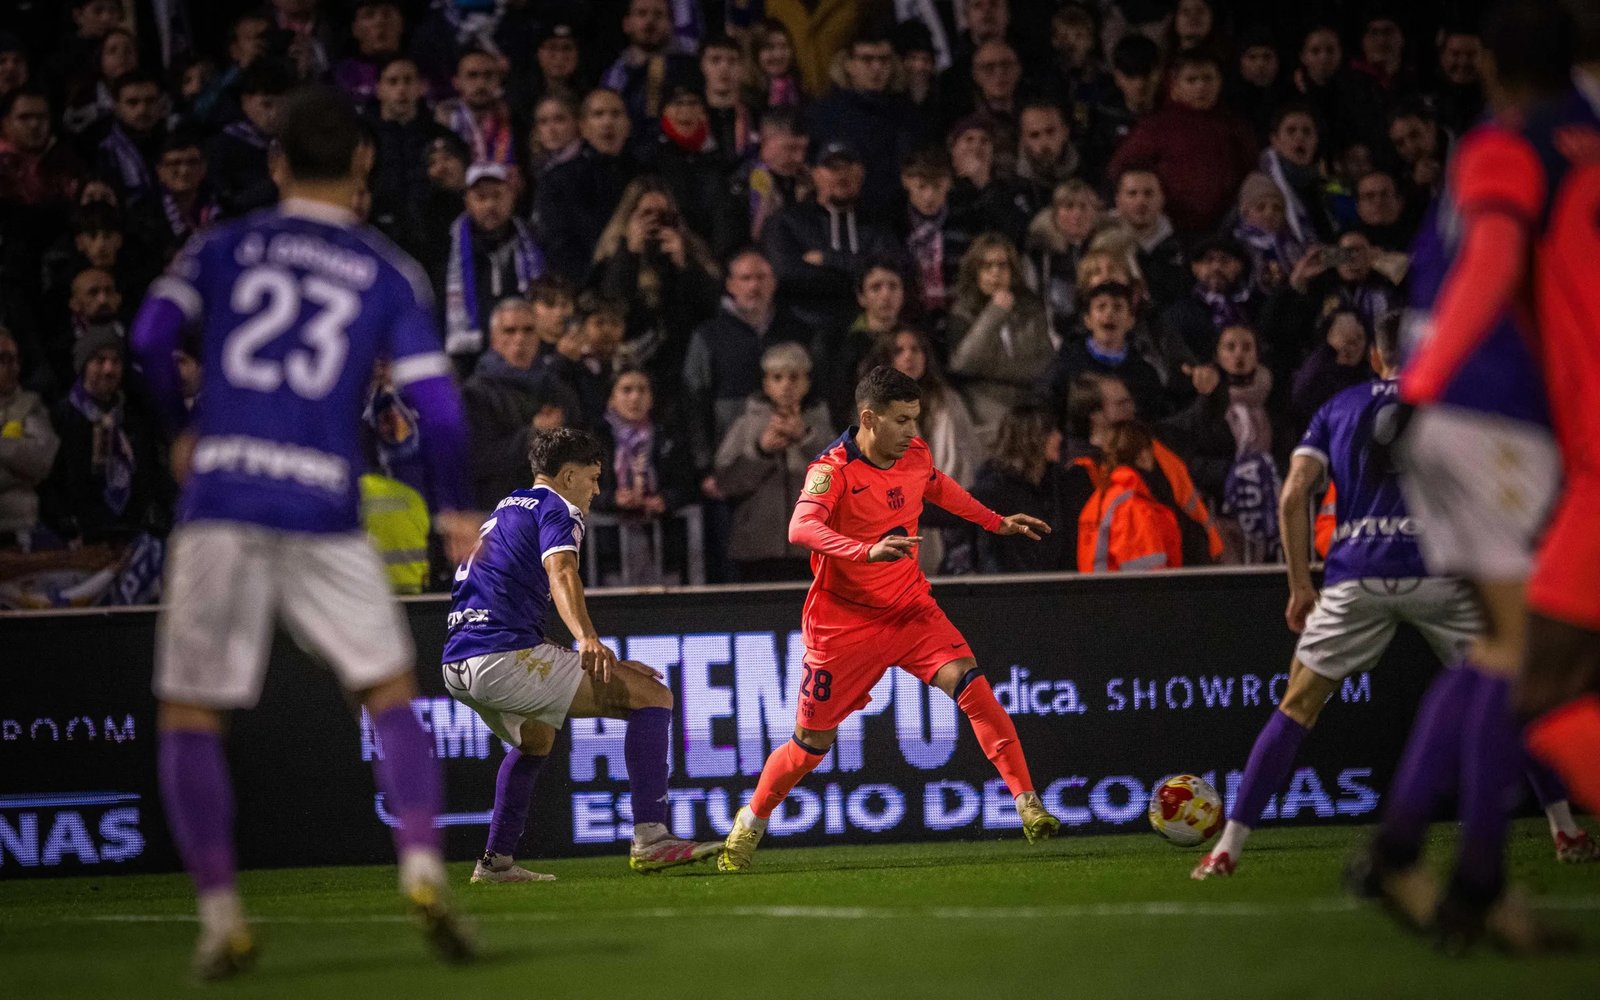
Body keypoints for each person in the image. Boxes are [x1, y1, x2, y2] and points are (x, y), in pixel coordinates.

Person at [128, 85, 482, 977]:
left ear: (275, 162)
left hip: (223, 502)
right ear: (364, 164)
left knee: (192, 711)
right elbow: (439, 410)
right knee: (389, 693)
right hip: (327, 503)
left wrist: (183, 430)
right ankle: (424, 869)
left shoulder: (223, 244)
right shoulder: (387, 270)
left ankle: (220, 916)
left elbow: (150, 330)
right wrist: (451, 508)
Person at [1193, 316, 1584, 882]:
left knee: (1297, 706)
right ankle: (1565, 828)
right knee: (1513, 693)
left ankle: (1226, 849)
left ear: (1375, 357)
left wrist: (1302, 584)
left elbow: (1293, 493)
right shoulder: (1453, 403)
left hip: (1358, 574)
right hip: (1439, 572)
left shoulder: (1338, 406)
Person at [1372, 1, 1600, 949]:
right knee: (1533, 659)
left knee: (1512, 653)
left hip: (1471, 409)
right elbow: (1499, 256)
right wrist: (1421, 387)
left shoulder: (1503, 142)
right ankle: (1457, 876)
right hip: (1490, 412)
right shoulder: (1553, 144)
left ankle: (1424, 865)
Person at [717, 366, 1060, 871]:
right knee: (811, 745)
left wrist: (995, 522)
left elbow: (936, 486)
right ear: (868, 419)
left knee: (975, 689)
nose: (912, 432)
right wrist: (864, 550)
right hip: (844, 625)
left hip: (910, 609)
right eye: (901, 421)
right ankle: (750, 823)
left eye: (915, 419)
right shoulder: (831, 469)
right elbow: (800, 527)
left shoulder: (914, 454)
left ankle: (1028, 804)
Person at [443, 426, 720, 882]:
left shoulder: (506, 509)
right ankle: (652, 838)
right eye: (592, 478)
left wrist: (581, 655)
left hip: (459, 662)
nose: (596, 489)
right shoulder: (558, 507)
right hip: (501, 658)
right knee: (653, 697)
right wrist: (586, 637)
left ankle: (495, 863)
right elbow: (563, 570)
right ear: (567, 475)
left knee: (536, 740)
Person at [1104, 50, 1257, 238]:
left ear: (1220, 82)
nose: (1201, 86)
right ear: (1175, 85)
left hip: (1228, 229)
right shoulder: (1156, 127)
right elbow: (1119, 169)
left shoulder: (1235, 126)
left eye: (1208, 78)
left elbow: (1251, 172)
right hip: (1168, 230)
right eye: (1192, 80)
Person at [714, 342, 833, 582]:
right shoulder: (746, 426)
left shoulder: (822, 427)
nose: (786, 385)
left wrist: (805, 438)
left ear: (807, 383)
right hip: (757, 547)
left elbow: (843, 475)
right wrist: (761, 451)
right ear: (766, 384)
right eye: (777, 378)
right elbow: (726, 481)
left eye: (794, 377)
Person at [681, 248, 806, 471]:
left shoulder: (796, 331)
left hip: (792, 462)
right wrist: (703, 464)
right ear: (730, 284)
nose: (753, 286)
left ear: (774, 282)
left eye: (761, 278)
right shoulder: (709, 336)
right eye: (745, 278)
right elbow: (694, 403)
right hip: (731, 462)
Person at [763, 140, 902, 336]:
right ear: (815, 174)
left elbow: (891, 269)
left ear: (861, 172)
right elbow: (787, 275)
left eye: (848, 167)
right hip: (803, 329)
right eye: (832, 168)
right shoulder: (788, 221)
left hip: (867, 332)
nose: (841, 175)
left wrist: (828, 260)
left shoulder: (878, 223)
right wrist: (857, 276)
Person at [463, 298, 580, 509]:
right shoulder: (476, 393)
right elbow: (477, 460)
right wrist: (534, 435)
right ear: (494, 338)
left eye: (528, 330)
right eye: (509, 330)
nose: (520, 338)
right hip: (500, 517)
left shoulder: (559, 391)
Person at [945, 234, 1053, 449]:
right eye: (987, 266)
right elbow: (962, 363)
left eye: (1002, 266)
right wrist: (995, 312)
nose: (995, 273)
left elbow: (1044, 364)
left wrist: (988, 370)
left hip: (1029, 411)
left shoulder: (1030, 309)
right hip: (983, 419)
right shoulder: (961, 313)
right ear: (975, 272)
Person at [435, 162, 545, 370]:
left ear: (512, 197)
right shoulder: (447, 247)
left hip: (524, 357)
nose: (490, 205)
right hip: (467, 361)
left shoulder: (534, 244)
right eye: (481, 197)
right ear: (467, 201)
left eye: (497, 196)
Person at [535, 89, 639, 282]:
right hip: (586, 289)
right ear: (583, 127)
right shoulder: (558, 180)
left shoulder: (645, 174)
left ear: (628, 125)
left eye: (616, 114)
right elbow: (558, 246)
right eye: (598, 114)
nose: (608, 122)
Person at [972, 407, 1074, 573]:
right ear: (1031, 438)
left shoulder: (1058, 483)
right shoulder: (995, 489)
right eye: (1050, 432)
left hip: (1051, 588)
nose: (1059, 438)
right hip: (1009, 590)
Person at [1076, 420, 1182, 573]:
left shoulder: (1099, 499)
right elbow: (1147, 580)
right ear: (1144, 454)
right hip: (1124, 596)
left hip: (1098, 595)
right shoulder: (1132, 507)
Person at [0, 327, 58, 549]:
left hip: (17, 528)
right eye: (3, 359)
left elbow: (40, 460)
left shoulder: (28, 405)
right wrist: (14, 468)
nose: (12, 367)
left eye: (15, 359)